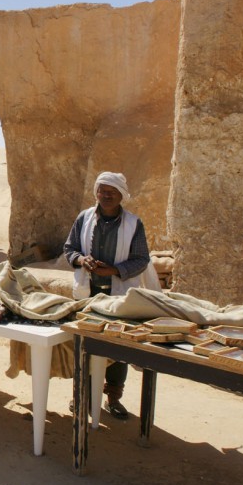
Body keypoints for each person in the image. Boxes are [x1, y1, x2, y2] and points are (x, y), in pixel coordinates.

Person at [63, 171, 159, 420]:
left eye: (111, 192)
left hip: (119, 297)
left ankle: (113, 398)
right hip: (88, 294)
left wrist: (115, 270)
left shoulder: (133, 223)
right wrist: (81, 259)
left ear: (121, 196)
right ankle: (82, 394)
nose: (105, 196)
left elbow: (141, 260)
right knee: (85, 346)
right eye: (102, 191)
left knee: (118, 349)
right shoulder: (84, 218)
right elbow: (69, 248)